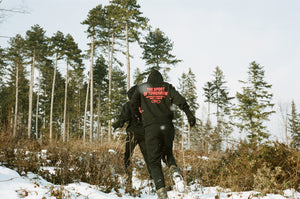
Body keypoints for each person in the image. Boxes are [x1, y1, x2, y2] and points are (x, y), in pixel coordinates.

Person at [130, 69, 196, 199]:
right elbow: (180, 100)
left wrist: (140, 117)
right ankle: (173, 169)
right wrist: (189, 115)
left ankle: (162, 192)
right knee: (167, 153)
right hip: (167, 126)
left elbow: (133, 105)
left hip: (150, 128)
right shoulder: (167, 87)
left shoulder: (142, 88)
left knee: (154, 161)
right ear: (161, 79)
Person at [112, 85, 153, 189]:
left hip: (132, 134)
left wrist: (116, 124)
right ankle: (153, 180)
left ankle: (128, 179)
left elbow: (123, 118)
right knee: (148, 158)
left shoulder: (128, 105)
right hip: (145, 135)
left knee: (128, 156)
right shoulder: (147, 105)